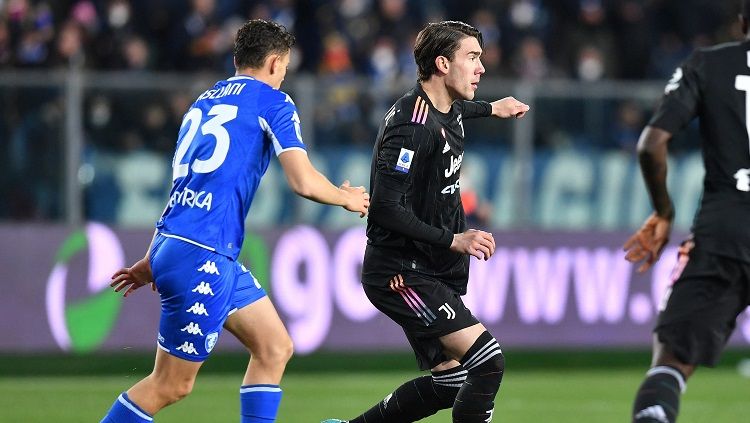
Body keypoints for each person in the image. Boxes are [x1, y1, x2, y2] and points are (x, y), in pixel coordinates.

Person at [101, 19, 370, 423]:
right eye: (285, 68)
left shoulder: (204, 101)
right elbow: (302, 181)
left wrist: (154, 255)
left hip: (187, 245)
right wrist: (344, 197)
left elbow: (185, 186)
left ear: (236, 59)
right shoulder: (273, 102)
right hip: (203, 253)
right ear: (277, 63)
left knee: (274, 346)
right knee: (171, 385)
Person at [324, 21, 529, 423]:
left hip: (427, 268)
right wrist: (453, 240)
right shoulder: (411, 127)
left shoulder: (446, 107)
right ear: (441, 64)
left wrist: (493, 108)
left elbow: (462, 108)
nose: (481, 68)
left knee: (451, 383)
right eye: (472, 58)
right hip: (400, 274)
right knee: (488, 362)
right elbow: (384, 208)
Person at [623, 2, 750, 422]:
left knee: (670, 363)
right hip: (725, 231)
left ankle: (656, 411)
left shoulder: (709, 63)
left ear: (742, 22)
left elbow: (651, 144)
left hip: (724, 232)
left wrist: (664, 212)